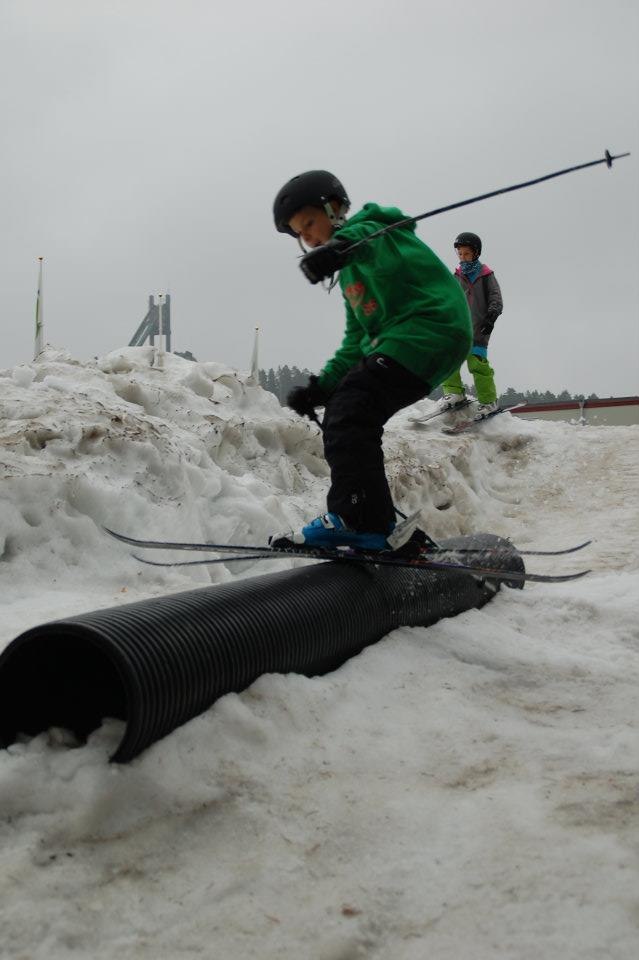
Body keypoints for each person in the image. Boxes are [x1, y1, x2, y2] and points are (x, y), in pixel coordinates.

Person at [271, 170, 472, 551]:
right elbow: (357, 339)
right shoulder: (350, 276)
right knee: (348, 408)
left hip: (428, 329)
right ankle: (381, 525)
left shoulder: (379, 231)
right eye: (299, 233)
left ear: (333, 208)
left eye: (309, 223)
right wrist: (323, 385)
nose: (307, 237)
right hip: (415, 343)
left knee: (351, 408)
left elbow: (370, 246)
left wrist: (340, 248)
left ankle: (360, 520)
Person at [437, 232, 503, 418]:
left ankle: (488, 401)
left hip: (479, 328)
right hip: (459, 328)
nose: (463, 258)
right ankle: (455, 392)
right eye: (460, 254)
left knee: (477, 364)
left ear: (476, 253)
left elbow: (496, 299)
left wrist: (491, 318)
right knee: (450, 360)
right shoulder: (456, 277)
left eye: (466, 254)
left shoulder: (486, 275)